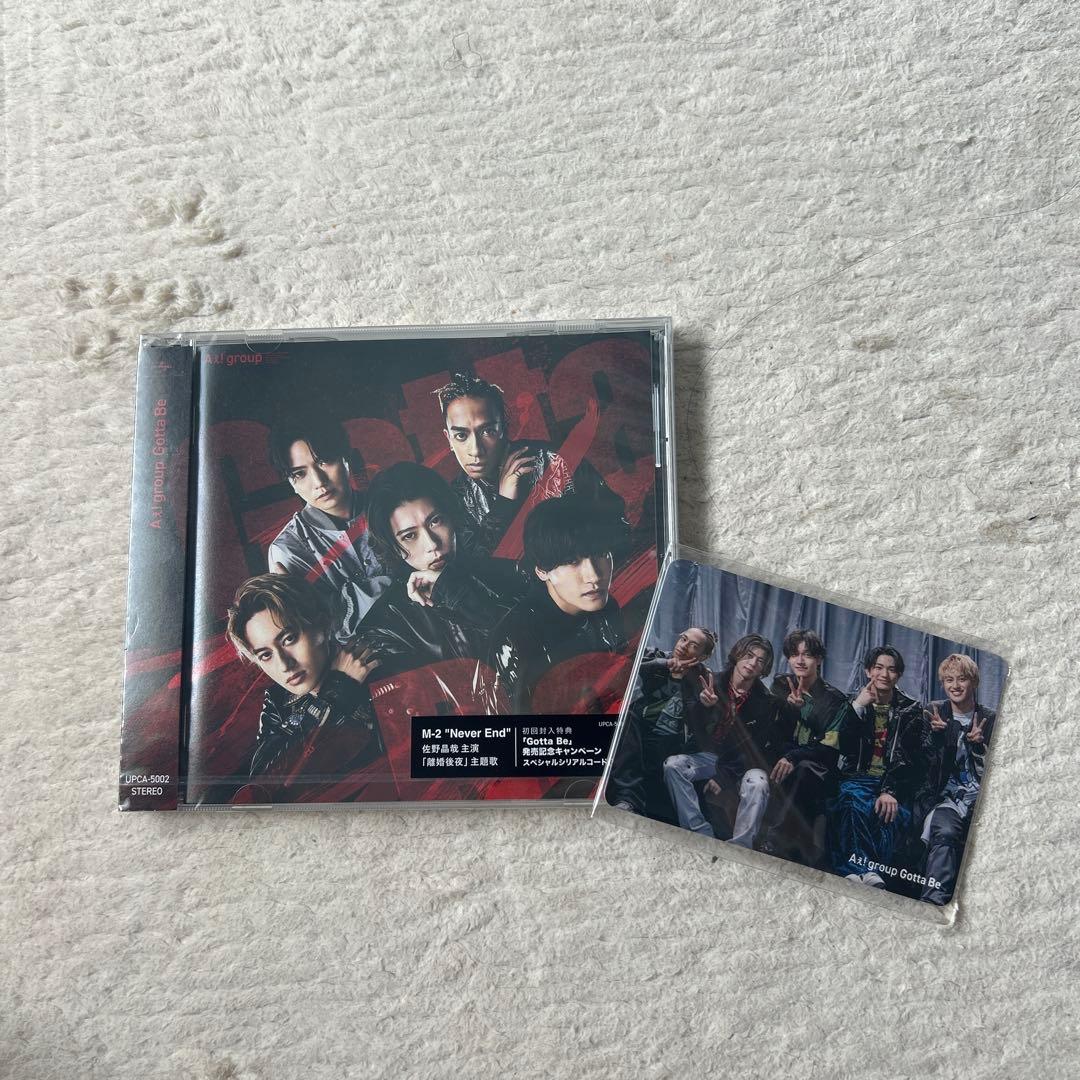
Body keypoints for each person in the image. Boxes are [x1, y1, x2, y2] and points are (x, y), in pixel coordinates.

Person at [357, 461, 527, 678]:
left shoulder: (494, 566)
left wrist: (454, 590)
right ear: (392, 547)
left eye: (435, 521)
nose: (432, 544)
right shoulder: (387, 626)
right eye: (410, 536)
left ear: (451, 516)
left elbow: (532, 644)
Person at [225, 573, 384, 796]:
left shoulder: (377, 668)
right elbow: (265, 787)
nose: (284, 665)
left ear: (323, 625)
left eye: (289, 639)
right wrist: (336, 690)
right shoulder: (279, 702)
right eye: (265, 655)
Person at [435, 373, 625, 553]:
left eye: (487, 431)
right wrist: (504, 503)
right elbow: (477, 567)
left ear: (504, 429)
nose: (476, 450)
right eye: (461, 435)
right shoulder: (453, 499)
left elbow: (617, 528)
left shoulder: (557, 462)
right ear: (449, 439)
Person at [486, 495, 627, 713]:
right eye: (572, 561)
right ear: (542, 570)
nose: (594, 576)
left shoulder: (607, 608)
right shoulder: (516, 640)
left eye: (600, 554)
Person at [266, 412, 391, 641]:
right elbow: (319, 628)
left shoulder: (389, 507)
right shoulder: (288, 550)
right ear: (291, 482)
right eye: (300, 473)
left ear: (346, 459)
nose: (318, 482)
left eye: (324, 462)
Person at [663, 634, 780, 847]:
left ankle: (741, 847)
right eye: (748, 655)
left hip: (743, 764)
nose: (752, 663)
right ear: (737, 655)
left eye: (760, 661)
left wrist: (723, 777)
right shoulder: (711, 682)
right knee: (673, 765)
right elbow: (693, 726)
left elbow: (754, 749)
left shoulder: (766, 702)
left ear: (764, 669)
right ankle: (700, 834)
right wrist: (705, 706)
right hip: (708, 756)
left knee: (759, 783)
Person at [828, 646, 925, 887]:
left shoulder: (911, 709)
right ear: (868, 671)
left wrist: (889, 791)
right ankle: (866, 873)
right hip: (857, 778)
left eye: (891, 670)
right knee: (852, 801)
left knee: (888, 813)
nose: (884, 674)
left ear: (898, 675)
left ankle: (859, 872)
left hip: (893, 782)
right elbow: (842, 746)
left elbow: (908, 759)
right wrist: (858, 707)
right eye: (878, 668)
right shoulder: (853, 702)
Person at [762, 629, 856, 866]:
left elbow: (828, 748)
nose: (800, 661)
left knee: (803, 769)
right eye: (794, 654)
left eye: (807, 655)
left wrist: (793, 756)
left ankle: (775, 842)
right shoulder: (782, 684)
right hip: (782, 757)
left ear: (819, 659)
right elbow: (772, 733)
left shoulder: (835, 700)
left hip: (818, 767)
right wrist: (791, 710)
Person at [606, 626, 718, 822]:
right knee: (627, 718)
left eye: (693, 645)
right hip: (638, 730)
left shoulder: (703, 680)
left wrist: (705, 706)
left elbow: (699, 728)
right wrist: (665, 664)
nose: (683, 646)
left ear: (703, 656)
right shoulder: (655, 657)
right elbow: (626, 666)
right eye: (683, 639)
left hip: (669, 742)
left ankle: (631, 800)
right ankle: (627, 799)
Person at [915, 653, 996, 905]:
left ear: (974, 682)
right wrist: (937, 737)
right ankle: (933, 902)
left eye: (962, 679)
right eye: (949, 680)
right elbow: (921, 765)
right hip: (945, 797)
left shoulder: (990, 718)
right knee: (946, 830)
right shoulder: (933, 712)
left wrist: (980, 747)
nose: (956, 686)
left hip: (982, 799)